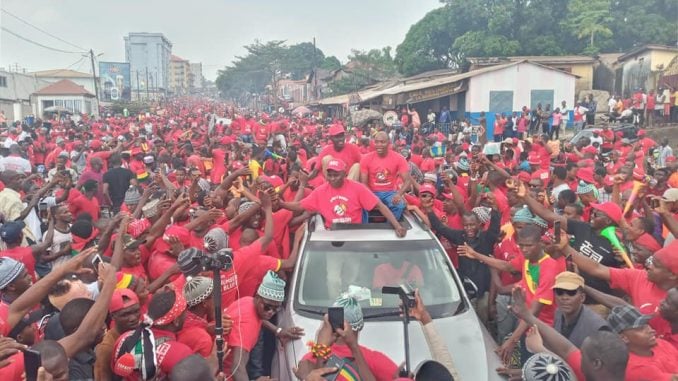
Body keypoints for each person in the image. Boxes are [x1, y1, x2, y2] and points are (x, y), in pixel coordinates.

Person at [508, 287, 629, 381]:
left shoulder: (596, 326)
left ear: (597, 364)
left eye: (582, 356)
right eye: (559, 292)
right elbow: (567, 350)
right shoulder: (596, 368)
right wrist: (527, 315)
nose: (564, 297)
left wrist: (538, 348)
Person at [281, 158, 406, 236]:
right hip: (333, 238)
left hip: (355, 235)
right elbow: (298, 205)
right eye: (330, 175)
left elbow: (380, 206)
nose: (332, 178)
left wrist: (397, 226)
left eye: (336, 175)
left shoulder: (358, 188)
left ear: (344, 174)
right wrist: (281, 204)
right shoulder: (320, 192)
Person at [225, 271, 303, 381]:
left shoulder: (248, 301)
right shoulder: (248, 325)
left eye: (276, 308)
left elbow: (260, 318)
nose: (270, 312)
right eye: (267, 307)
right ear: (257, 297)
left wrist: (277, 331)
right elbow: (237, 368)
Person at [359, 131, 411, 219]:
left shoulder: (399, 158)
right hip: (371, 191)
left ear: (389, 143)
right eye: (377, 142)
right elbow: (363, 183)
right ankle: (366, 229)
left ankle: (390, 227)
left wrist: (399, 194)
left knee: (399, 205)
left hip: (390, 193)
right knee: (362, 206)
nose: (379, 144)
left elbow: (408, 181)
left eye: (382, 142)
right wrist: (371, 196)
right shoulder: (366, 158)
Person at [551, 271, 609, 347]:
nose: (564, 297)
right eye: (559, 292)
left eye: (571, 292)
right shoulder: (558, 313)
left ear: (582, 297)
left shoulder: (598, 327)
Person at [94, 288, 141, 380]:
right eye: (125, 314)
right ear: (113, 316)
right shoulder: (107, 348)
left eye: (136, 311)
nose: (133, 318)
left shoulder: (145, 330)